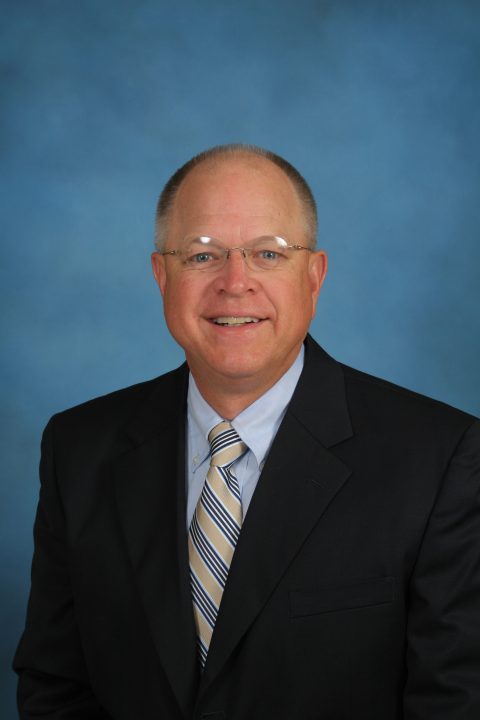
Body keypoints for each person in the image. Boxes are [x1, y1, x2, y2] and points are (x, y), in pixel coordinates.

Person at [14, 144, 480, 719]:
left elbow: (455, 700)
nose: (235, 283)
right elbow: (55, 686)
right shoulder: (78, 449)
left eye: (268, 253)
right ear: (161, 275)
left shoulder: (438, 459)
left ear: (314, 276)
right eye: (202, 255)